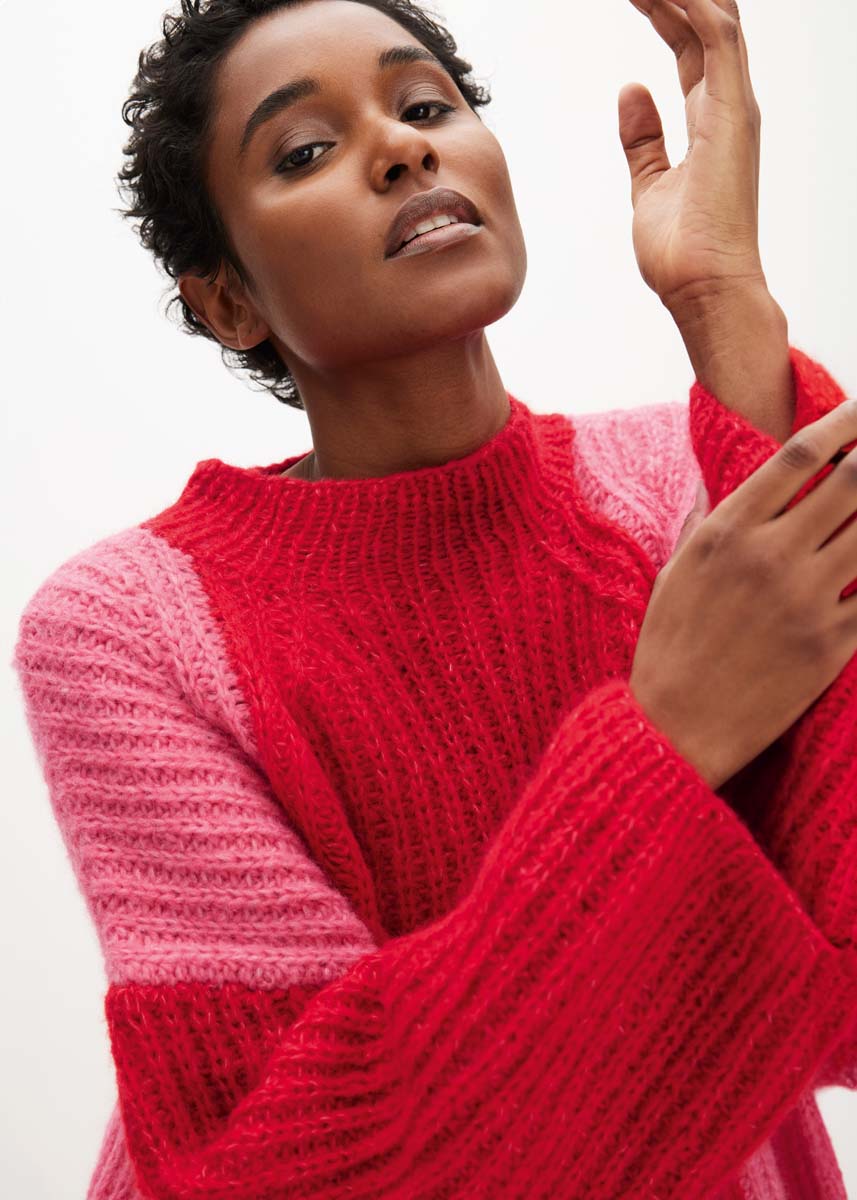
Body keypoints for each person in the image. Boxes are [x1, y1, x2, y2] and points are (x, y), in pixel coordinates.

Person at [11, 2, 857, 1197]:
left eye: (423, 106)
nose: (403, 149)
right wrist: (661, 740)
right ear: (229, 302)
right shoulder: (135, 623)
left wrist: (725, 306)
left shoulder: (675, 482)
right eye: (304, 150)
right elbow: (284, 1170)